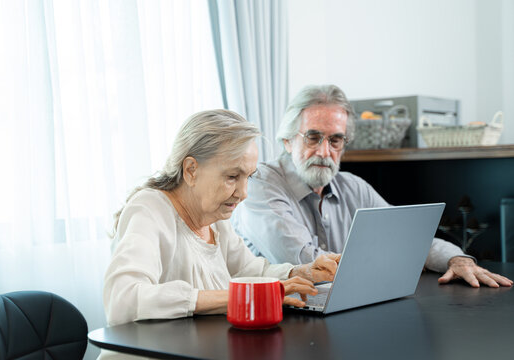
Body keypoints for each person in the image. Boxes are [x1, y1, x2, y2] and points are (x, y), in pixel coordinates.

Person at [100, 109, 340, 360]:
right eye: (232, 177)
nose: (243, 192)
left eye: (248, 177)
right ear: (191, 170)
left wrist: (301, 272)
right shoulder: (149, 208)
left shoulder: (215, 218)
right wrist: (238, 298)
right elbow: (122, 300)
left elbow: (250, 272)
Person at [232, 84, 513, 289]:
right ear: (287, 141)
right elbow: (308, 264)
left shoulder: (353, 187)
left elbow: (407, 239)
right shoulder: (259, 183)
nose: (324, 151)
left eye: (335, 140)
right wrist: (394, 261)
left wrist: (457, 259)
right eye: (313, 137)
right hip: (280, 322)